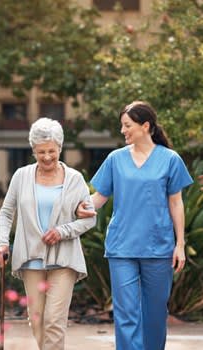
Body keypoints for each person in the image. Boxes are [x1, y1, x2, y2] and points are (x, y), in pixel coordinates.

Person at [77, 101, 193, 350]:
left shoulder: (170, 160)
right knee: (126, 314)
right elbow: (99, 197)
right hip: (122, 248)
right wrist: (77, 208)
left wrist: (180, 244)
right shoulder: (115, 159)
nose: (123, 131)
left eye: (127, 125)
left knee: (154, 315)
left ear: (146, 126)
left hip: (158, 247)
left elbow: (176, 204)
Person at [0, 117, 96, 350]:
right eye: (41, 152)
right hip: (31, 259)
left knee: (54, 321)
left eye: (52, 151)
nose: (47, 157)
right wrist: (2, 243)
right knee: (37, 320)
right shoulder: (21, 176)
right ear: (33, 150)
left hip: (64, 259)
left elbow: (90, 220)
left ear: (60, 147)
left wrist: (62, 231)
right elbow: (6, 213)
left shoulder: (74, 179)